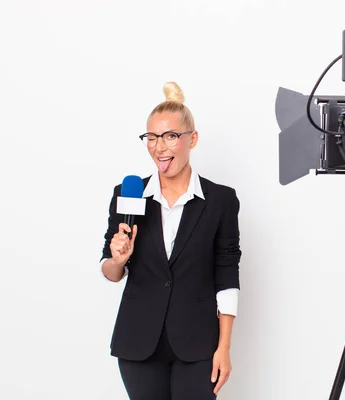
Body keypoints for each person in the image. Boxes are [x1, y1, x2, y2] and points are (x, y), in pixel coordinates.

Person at [99, 82, 242, 399]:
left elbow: (227, 273)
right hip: (137, 344)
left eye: (170, 136)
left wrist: (224, 347)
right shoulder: (127, 194)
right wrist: (117, 260)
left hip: (198, 345)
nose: (159, 147)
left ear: (192, 139)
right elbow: (110, 271)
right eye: (151, 137)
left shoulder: (220, 201)